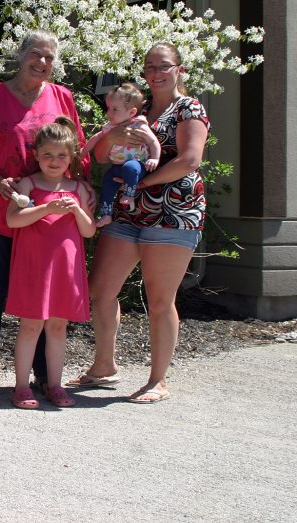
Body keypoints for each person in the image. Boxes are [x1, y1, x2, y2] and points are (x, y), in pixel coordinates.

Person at [68, 43, 209, 404]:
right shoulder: (135, 108)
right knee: (101, 290)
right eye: (150, 66)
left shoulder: (188, 108)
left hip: (173, 214)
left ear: (179, 70)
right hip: (127, 213)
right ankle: (104, 365)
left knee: (160, 299)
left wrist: (141, 183)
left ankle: (157, 380)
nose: (156, 72)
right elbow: (101, 154)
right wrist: (111, 138)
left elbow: (190, 160)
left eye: (164, 66)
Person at [0, 31, 89, 399]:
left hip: (48, 221)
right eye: (36, 54)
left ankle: (42, 378)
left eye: (50, 57)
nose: (43, 63)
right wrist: (1, 184)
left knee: (43, 297)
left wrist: (84, 189)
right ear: (20, 56)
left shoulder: (62, 97)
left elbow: (74, 151)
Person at [5, 118, 96, 409]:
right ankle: (21, 387)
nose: (54, 161)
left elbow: (89, 231)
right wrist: (46, 207)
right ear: (36, 155)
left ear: (71, 157)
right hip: (35, 267)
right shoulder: (28, 185)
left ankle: (55, 385)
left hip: (64, 269)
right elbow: (12, 219)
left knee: (58, 327)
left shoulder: (78, 188)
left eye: (61, 156)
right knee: (31, 325)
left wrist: (77, 211)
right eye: (47, 155)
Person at [83, 83, 161, 227]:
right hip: (116, 166)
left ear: (131, 112)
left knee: (130, 167)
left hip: (137, 165)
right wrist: (83, 152)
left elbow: (153, 142)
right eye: (108, 109)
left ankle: (129, 195)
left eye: (115, 109)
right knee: (107, 181)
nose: (109, 113)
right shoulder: (110, 127)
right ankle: (106, 214)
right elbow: (95, 138)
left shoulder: (139, 125)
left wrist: (154, 158)